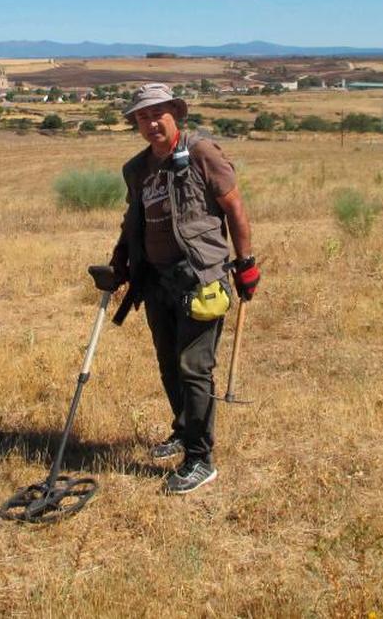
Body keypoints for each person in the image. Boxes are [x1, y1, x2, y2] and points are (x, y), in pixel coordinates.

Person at [110, 83, 260, 494]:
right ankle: (183, 429)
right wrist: (120, 260)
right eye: (142, 116)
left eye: (158, 113)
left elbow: (234, 207)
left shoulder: (201, 153)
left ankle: (199, 459)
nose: (151, 122)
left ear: (176, 113)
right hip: (156, 280)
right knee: (168, 363)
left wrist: (245, 264)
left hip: (201, 277)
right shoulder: (137, 168)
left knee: (194, 368)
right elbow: (132, 221)